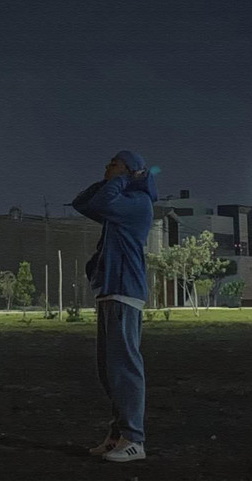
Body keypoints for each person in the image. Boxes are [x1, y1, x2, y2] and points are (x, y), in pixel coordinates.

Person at [72, 150, 158, 463]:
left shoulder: (138, 203)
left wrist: (122, 179)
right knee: (110, 372)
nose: (107, 167)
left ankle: (134, 440)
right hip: (110, 290)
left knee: (124, 369)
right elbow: (83, 203)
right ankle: (117, 436)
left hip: (124, 289)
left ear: (131, 170)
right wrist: (113, 179)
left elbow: (101, 203)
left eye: (114, 164)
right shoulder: (120, 202)